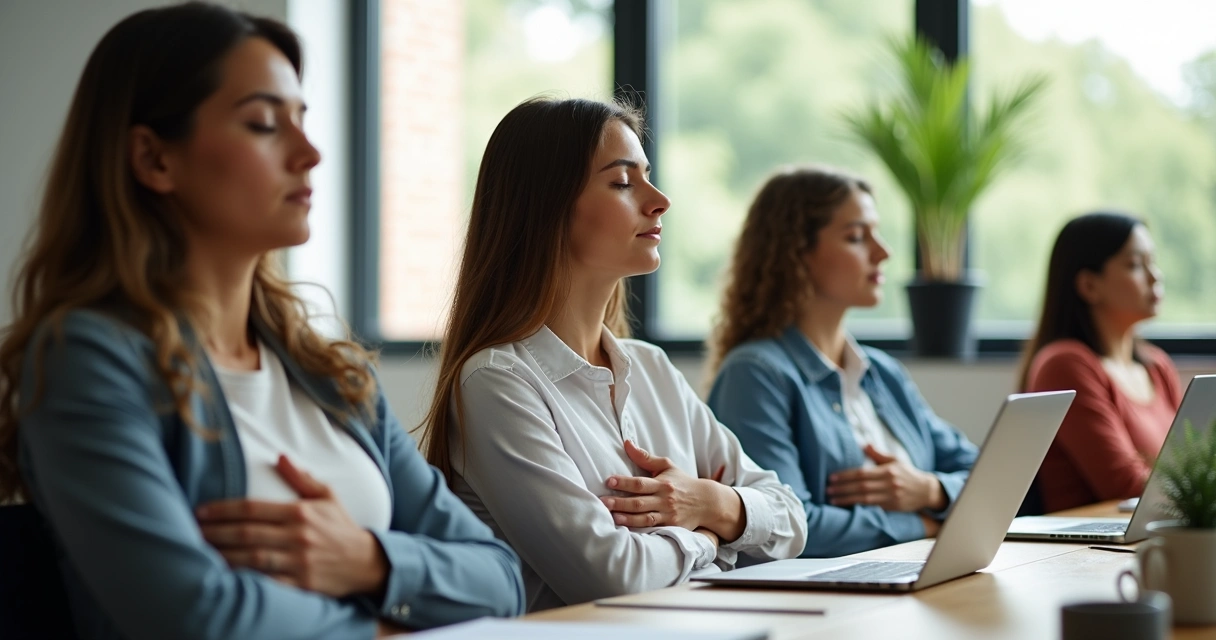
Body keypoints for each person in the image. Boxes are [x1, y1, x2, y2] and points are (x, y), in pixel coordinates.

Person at [0, 4, 522, 638]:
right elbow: (192, 615)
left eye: (302, 120)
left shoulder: (329, 372)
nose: (309, 152)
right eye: (263, 124)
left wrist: (368, 561)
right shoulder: (85, 360)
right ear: (153, 159)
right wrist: (381, 627)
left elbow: (500, 578)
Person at [419, 97, 807, 612]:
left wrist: (711, 502)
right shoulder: (496, 382)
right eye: (624, 182)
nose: (660, 199)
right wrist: (711, 537)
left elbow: (791, 520)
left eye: (647, 176)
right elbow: (612, 577)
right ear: (547, 207)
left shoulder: (650, 367)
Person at [705, 166, 978, 558]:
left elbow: (989, 476)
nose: (884, 252)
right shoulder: (755, 374)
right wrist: (924, 525)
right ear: (795, 253)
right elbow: (789, 527)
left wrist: (930, 491)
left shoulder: (881, 373)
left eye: (876, 233)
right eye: (856, 237)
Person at [1017, 212, 1182, 513]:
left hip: (1154, 535)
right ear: (1089, 286)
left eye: (1152, 261)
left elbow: (1191, 464)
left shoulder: (1157, 367)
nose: (1154, 275)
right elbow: (1126, 485)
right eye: (1134, 265)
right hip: (1090, 551)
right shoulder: (1065, 364)